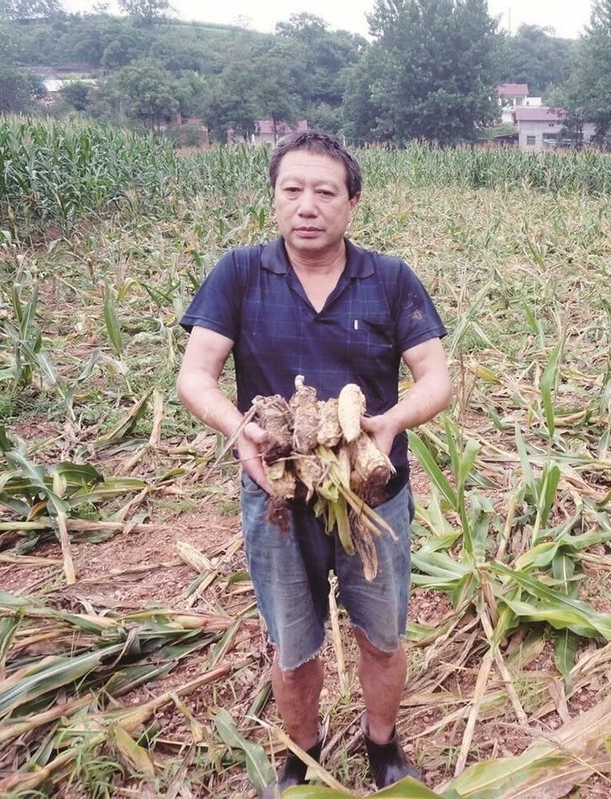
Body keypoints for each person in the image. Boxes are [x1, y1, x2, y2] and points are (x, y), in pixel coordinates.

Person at [176, 130, 452, 796]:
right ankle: (302, 752)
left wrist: (392, 420)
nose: (307, 205)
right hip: (278, 495)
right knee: (293, 644)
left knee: (382, 634)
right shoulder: (239, 272)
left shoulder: (389, 278)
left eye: (325, 191)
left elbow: (437, 377)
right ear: (273, 198)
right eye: (291, 189)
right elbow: (196, 375)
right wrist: (238, 426)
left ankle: (382, 745)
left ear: (352, 202)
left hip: (371, 495)